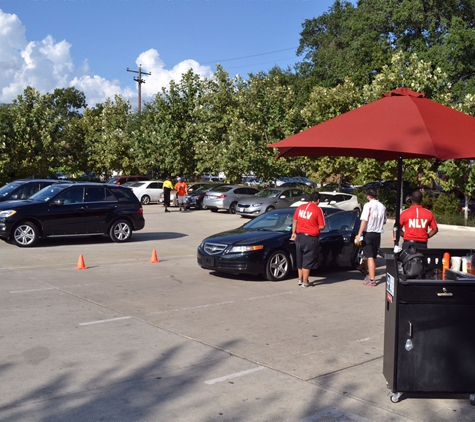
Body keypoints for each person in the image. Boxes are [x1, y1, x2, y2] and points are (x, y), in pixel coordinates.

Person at [290, 192, 326, 288]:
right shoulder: (318, 210)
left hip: (299, 236)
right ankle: (305, 281)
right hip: (310, 238)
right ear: (318, 200)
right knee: (308, 259)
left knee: (300, 258)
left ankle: (300, 279)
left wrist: (293, 233)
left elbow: (295, 220)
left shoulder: (300, 207)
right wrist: (316, 227)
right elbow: (322, 226)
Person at [356, 188, 387, 286]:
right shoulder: (382, 206)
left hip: (368, 233)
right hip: (377, 234)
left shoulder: (368, 205)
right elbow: (385, 221)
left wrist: (359, 234)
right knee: (374, 256)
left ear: (369, 196)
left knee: (369, 256)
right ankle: (370, 275)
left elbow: (364, 220)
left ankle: (372, 279)